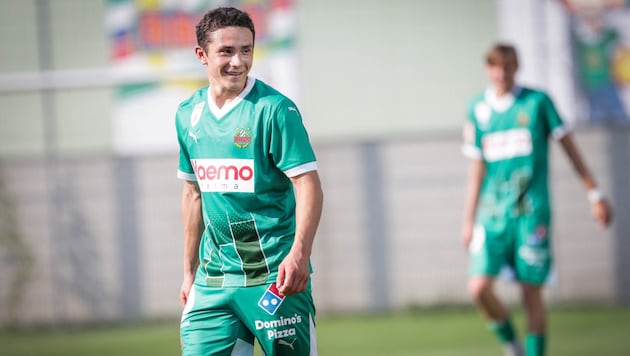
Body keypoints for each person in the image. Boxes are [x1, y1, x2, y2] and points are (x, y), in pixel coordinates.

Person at [175, 7, 323, 355]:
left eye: (246, 50)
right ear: (202, 55)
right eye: (226, 51)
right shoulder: (188, 115)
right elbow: (192, 194)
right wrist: (188, 271)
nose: (238, 62)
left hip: (274, 278)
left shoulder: (274, 109)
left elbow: (307, 183)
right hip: (214, 280)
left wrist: (299, 253)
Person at [460, 43, 613, 356]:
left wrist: (594, 193)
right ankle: (512, 346)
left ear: (517, 67)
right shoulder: (478, 110)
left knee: (531, 293)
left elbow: (569, 148)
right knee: (478, 289)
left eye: (507, 66)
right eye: (495, 66)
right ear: (487, 69)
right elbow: (476, 170)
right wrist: (467, 219)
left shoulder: (537, 103)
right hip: (492, 216)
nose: (501, 73)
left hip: (531, 215)